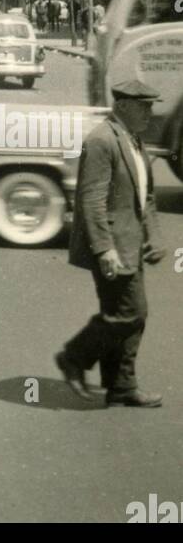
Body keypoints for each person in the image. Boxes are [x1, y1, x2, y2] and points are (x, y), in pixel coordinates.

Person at [55, 79, 165, 408]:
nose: (151, 112)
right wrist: (104, 248)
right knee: (129, 313)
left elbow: (145, 196)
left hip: (131, 243)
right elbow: (91, 201)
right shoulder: (102, 140)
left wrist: (155, 236)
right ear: (123, 106)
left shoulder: (133, 139)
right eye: (144, 106)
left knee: (127, 313)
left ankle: (122, 386)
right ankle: (73, 357)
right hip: (113, 247)